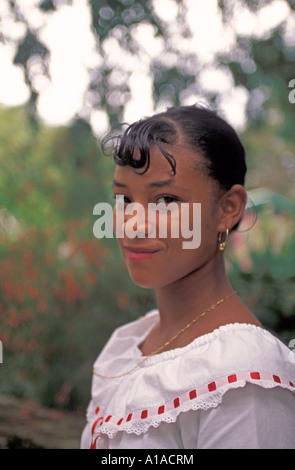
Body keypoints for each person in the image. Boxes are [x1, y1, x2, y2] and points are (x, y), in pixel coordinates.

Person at [81, 105, 295, 449]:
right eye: (123, 198)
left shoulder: (240, 375)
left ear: (228, 208)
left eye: (165, 199)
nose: (132, 224)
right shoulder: (128, 345)